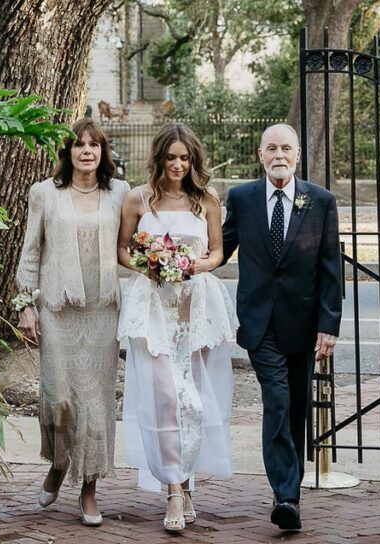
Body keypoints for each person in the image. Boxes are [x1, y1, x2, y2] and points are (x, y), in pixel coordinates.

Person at [117, 123, 237, 535]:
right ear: (159, 159)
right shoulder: (138, 199)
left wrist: (197, 264)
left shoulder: (207, 200)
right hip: (152, 307)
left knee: (194, 401)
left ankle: (187, 485)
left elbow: (218, 252)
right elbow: (122, 251)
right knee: (165, 397)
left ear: (193, 160)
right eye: (171, 158)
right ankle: (171, 490)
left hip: (195, 309)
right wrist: (151, 265)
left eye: (184, 158)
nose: (178, 165)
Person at [222, 123, 342, 531]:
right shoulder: (242, 198)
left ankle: (287, 488)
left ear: (297, 155)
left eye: (285, 149)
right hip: (259, 323)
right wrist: (174, 259)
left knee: (295, 405)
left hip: (304, 324)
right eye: (271, 148)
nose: (278, 155)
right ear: (260, 155)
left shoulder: (320, 201)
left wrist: (329, 325)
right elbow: (219, 248)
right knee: (276, 399)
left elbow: (330, 268)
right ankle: (286, 495)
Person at [14, 119, 129, 526]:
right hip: (58, 310)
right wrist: (25, 305)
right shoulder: (44, 193)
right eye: (79, 145)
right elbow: (30, 251)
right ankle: (59, 464)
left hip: (102, 311)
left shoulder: (119, 193)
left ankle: (89, 489)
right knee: (59, 399)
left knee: (96, 404)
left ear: (103, 152)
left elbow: (130, 245)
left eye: (94, 145)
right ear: (67, 152)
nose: (86, 151)